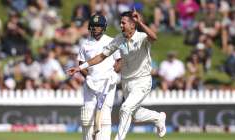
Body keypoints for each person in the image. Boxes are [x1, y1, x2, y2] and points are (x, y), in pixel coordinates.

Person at [67, 10, 166, 140]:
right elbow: (101, 57)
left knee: (125, 108)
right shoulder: (119, 39)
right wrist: (80, 67)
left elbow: (154, 37)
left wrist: (140, 22)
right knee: (134, 114)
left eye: (123, 23)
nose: (120, 25)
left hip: (142, 81)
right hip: (127, 82)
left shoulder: (142, 37)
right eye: (120, 22)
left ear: (132, 24)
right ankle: (158, 117)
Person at [76, 13, 121, 140]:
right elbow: (81, 64)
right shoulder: (85, 44)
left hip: (107, 83)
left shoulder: (111, 41)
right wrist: (87, 76)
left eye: (99, 26)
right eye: (94, 26)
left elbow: (120, 61)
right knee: (87, 116)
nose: (96, 28)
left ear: (104, 27)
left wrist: (114, 72)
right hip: (91, 84)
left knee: (105, 117)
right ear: (90, 27)